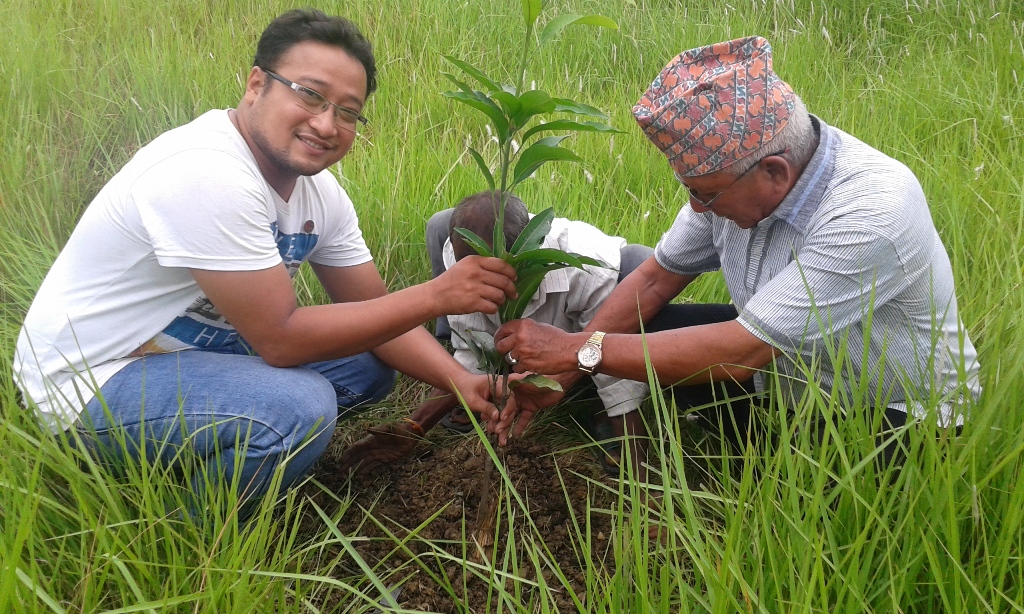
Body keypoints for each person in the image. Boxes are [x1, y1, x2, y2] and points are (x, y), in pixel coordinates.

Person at [12, 9, 517, 517]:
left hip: (182, 360)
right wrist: (436, 294)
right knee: (300, 408)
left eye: (347, 112)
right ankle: (180, 525)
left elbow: (375, 310)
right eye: (310, 94)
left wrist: (462, 380)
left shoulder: (321, 196)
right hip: (89, 383)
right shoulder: (205, 172)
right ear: (257, 85)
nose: (326, 123)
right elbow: (281, 339)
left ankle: (222, 443)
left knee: (369, 365)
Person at [491, 36, 981, 466]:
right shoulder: (727, 184)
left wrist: (579, 349)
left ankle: (769, 464)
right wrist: (564, 371)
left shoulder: (870, 211)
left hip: (890, 410)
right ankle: (743, 440)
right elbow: (656, 278)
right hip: (789, 367)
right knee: (645, 328)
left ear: (775, 173)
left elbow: (743, 352)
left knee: (808, 505)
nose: (695, 208)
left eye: (705, 193)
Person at [337, 190, 652, 475]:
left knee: (637, 267)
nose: (487, 286)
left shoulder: (589, 268)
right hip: (520, 345)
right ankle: (485, 388)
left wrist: (639, 474)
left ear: (530, 249)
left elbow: (603, 354)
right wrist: (415, 425)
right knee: (438, 223)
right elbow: (471, 344)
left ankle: (596, 405)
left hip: (585, 336)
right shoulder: (461, 260)